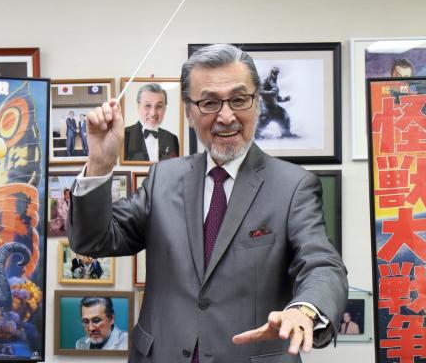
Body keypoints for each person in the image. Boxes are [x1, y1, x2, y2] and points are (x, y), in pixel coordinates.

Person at [67, 43, 348, 362]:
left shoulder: (293, 186)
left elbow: (321, 263)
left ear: (257, 103)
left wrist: (305, 309)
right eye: (210, 103)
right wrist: (100, 164)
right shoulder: (163, 179)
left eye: (239, 100)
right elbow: (92, 240)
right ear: (189, 111)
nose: (226, 117)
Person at [124, 83, 179, 161]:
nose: (153, 113)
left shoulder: (172, 138)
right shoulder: (124, 136)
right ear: (138, 107)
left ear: (165, 109)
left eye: (159, 106)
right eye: (148, 106)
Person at [256, 66, 296, 139]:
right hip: (265, 105)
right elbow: (259, 91)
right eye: (274, 73)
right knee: (264, 118)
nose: (275, 75)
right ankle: (256, 135)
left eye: (277, 73)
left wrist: (285, 99)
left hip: (274, 106)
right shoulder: (265, 81)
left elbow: (276, 97)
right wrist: (270, 92)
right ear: (271, 72)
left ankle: (286, 133)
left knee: (284, 116)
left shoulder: (274, 84)